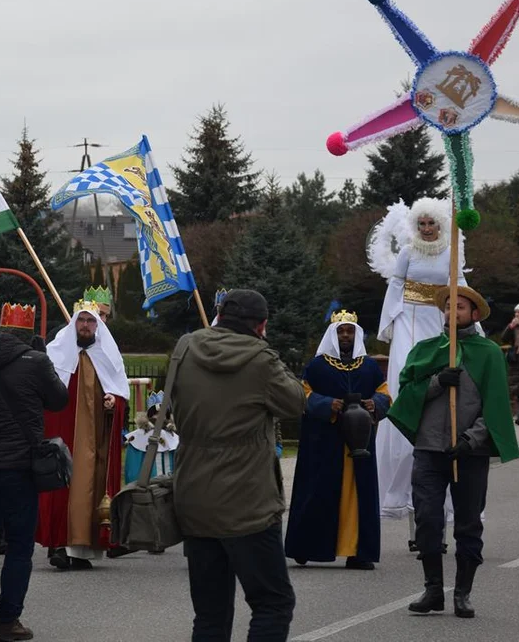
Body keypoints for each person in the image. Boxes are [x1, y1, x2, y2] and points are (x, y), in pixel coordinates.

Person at [171, 289, 306, 640]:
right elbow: (295, 403)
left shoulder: (185, 347)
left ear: (219, 314)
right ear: (262, 325)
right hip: (249, 502)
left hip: (195, 495)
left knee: (210, 613)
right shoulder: (261, 359)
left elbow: (172, 401)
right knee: (273, 602)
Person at [388, 286, 519, 618]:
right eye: (448, 306)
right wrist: (436, 382)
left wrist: (471, 440)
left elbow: (495, 407)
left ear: (474, 314)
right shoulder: (426, 350)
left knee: (468, 524)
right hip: (429, 451)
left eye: (459, 307)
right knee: (428, 520)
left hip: (468, 453)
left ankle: (463, 592)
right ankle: (433, 590)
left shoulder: (488, 353)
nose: (452, 312)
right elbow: (405, 394)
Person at [0, 302, 69, 642]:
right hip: (20, 467)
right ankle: (7, 621)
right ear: (28, 334)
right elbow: (59, 400)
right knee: (20, 545)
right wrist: (41, 359)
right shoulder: (35, 361)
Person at [369, 198, 471, 545]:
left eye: (433, 223)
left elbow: (460, 291)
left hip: (437, 323)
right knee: (407, 389)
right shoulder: (409, 252)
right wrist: (390, 325)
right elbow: (395, 287)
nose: (427, 229)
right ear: (416, 225)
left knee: (439, 396)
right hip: (409, 322)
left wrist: (465, 324)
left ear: (441, 224)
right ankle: (414, 518)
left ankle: (435, 525)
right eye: (422, 224)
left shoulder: (451, 253)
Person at [285, 311, 390, 571]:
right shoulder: (317, 366)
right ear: (333, 334)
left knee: (359, 494)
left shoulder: (368, 367)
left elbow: (385, 395)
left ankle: (358, 551)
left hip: (359, 441)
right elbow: (303, 394)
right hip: (324, 441)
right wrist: (326, 404)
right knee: (317, 491)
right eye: (341, 331)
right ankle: (307, 546)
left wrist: (373, 404)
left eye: (350, 331)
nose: (346, 335)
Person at [38, 299, 129, 570]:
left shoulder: (108, 356)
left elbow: (120, 392)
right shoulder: (55, 355)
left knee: (91, 485)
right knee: (62, 484)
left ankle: (82, 551)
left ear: (98, 326)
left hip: (95, 440)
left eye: (91, 321)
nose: (86, 326)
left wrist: (114, 401)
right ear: (73, 323)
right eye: (82, 320)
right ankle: (60, 545)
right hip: (64, 437)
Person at [123, 391, 177, 484]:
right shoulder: (138, 438)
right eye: (156, 414)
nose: (160, 417)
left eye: (163, 414)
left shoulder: (174, 438)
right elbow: (133, 469)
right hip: (146, 488)